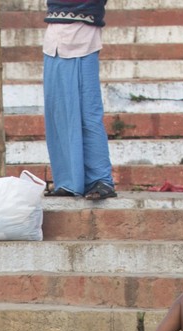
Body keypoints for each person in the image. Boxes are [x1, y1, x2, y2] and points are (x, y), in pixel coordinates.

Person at [42, 0, 115, 200]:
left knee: (88, 115)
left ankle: (100, 180)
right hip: (54, 38)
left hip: (83, 38)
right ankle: (67, 181)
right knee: (58, 114)